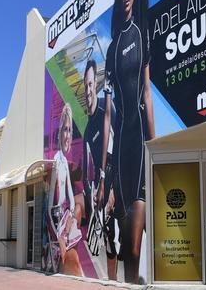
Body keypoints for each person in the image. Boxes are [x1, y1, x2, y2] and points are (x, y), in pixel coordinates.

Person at [101, 0, 155, 284]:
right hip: (121, 153)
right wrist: (107, 173)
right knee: (126, 248)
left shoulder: (143, 31)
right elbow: (109, 113)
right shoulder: (112, 47)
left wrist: (155, 146)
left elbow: (146, 93)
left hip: (140, 145)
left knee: (137, 242)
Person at [82, 59, 119, 280]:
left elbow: (121, 145)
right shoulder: (87, 131)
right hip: (101, 190)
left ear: (95, 83)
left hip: (116, 178)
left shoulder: (108, 108)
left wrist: (113, 188)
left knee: (123, 231)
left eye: (90, 85)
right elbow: (90, 172)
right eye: (85, 86)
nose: (88, 91)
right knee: (108, 238)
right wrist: (94, 195)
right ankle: (113, 281)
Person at [45, 103, 83, 276]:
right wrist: (59, 227)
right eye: (65, 130)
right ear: (59, 132)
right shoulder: (55, 160)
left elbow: (70, 196)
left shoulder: (64, 163)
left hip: (65, 220)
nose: (68, 135)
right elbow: (52, 201)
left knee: (72, 261)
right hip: (56, 220)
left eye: (70, 131)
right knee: (70, 261)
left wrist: (71, 217)